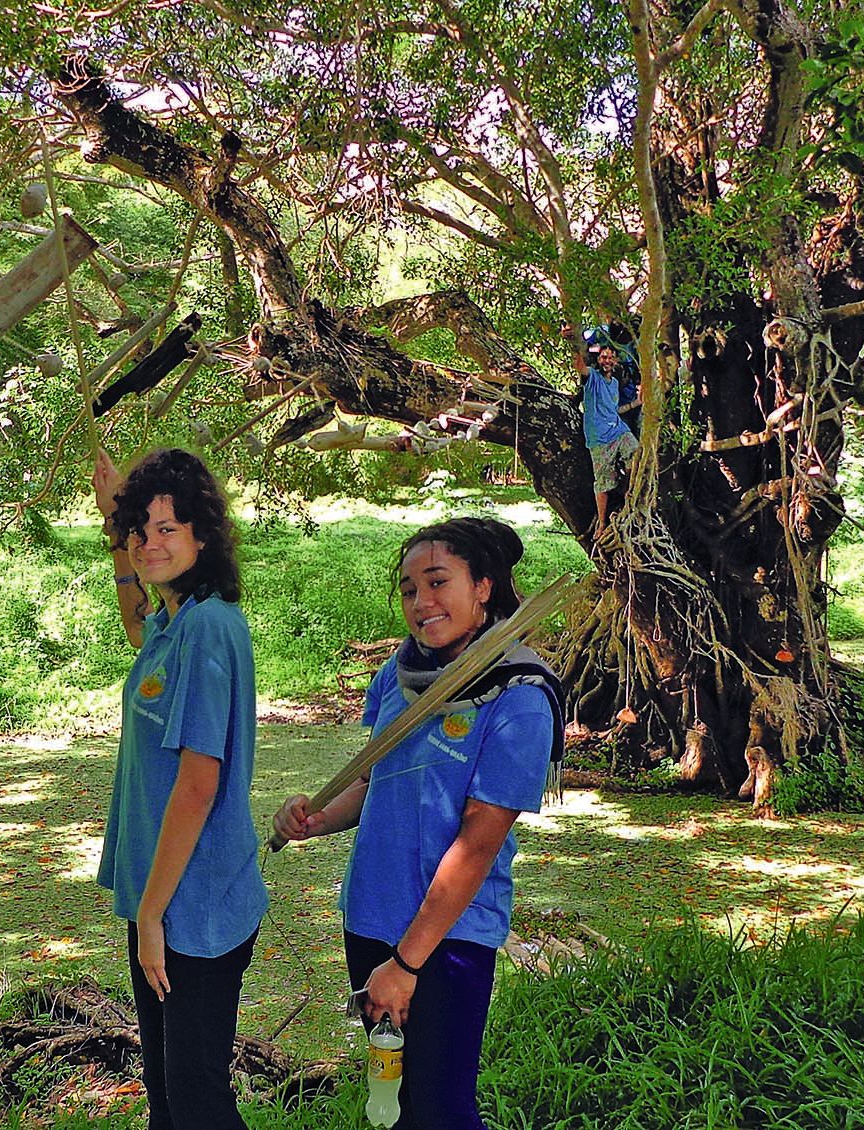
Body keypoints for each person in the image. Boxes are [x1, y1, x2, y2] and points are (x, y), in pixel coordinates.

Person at [273, 517, 562, 1130]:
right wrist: (318, 817)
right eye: (408, 589)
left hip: (449, 936)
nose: (421, 602)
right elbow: (371, 784)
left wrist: (405, 966)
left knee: (441, 1107)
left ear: (483, 586)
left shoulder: (519, 696)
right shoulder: (399, 675)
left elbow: (479, 845)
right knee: (393, 1101)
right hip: (372, 915)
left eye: (438, 582)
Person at [90, 446, 267, 1130]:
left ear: (202, 535)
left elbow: (198, 785)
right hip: (163, 899)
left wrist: (152, 917)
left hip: (194, 908)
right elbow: (137, 627)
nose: (149, 543)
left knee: (196, 1101)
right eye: (141, 529)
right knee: (167, 1097)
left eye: (167, 527)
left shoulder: (210, 628)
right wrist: (115, 527)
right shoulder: (175, 618)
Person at [576, 322, 641, 535]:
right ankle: (603, 522)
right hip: (599, 438)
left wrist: (637, 403)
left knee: (636, 454)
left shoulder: (614, 383)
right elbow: (581, 368)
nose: (608, 360)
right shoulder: (592, 377)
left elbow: (615, 409)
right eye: (604, 357)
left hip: (618, 430)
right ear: (598, 360)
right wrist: (576, 344)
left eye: (611, 357)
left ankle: (633, 497)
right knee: (603, 482)